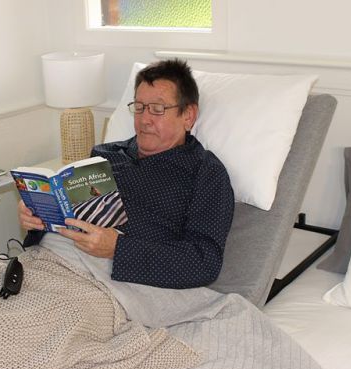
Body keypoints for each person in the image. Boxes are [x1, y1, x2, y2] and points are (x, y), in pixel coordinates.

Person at [19, 59, 234, 289]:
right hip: (46, 260)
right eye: (139, 107)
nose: (144, 119)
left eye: (157, 109)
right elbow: (70, 217)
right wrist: (38, 217)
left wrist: (118, 248)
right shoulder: (105, 154)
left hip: (116, 281)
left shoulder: (205, 173)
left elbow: (204, 262)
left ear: (188, 116)